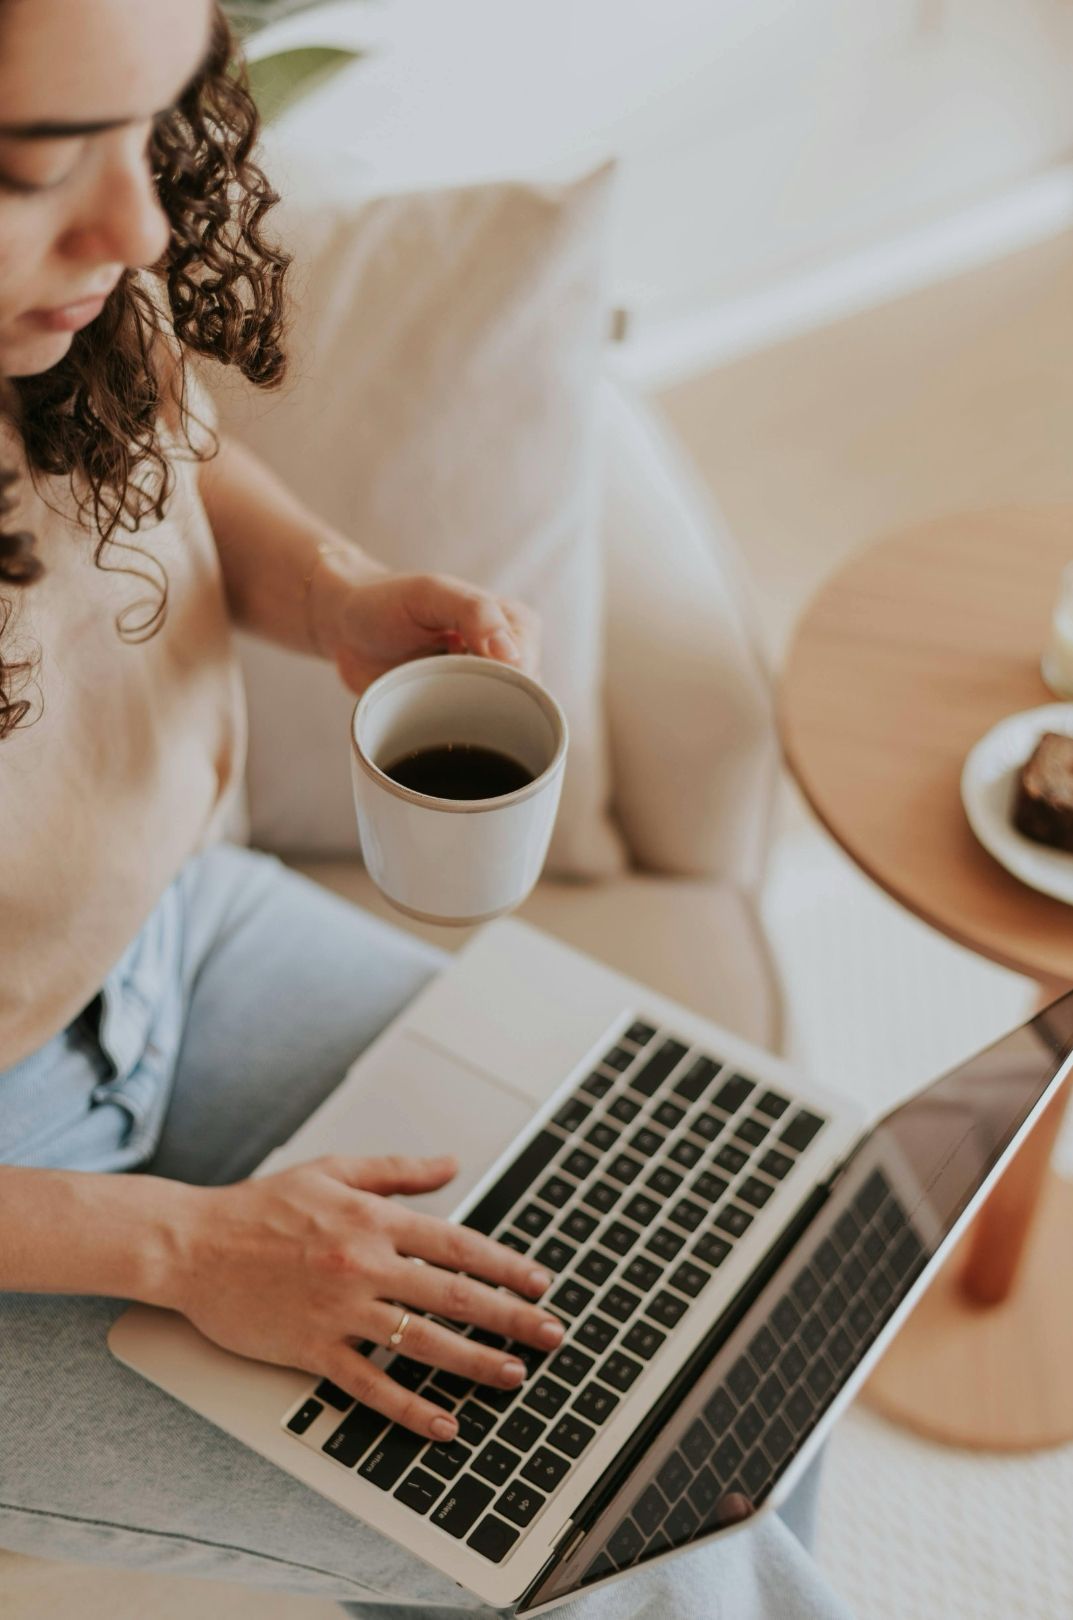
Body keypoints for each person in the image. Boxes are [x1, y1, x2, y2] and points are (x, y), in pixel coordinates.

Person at [0, 3, 856, 1615]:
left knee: (761, 1288)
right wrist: (186, 1251)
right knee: (634, 1541)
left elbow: (156, 441)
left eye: (150, 126)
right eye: (33, 165)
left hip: (182, 931)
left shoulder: (57, 305)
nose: (140, 229)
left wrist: (335, 591)